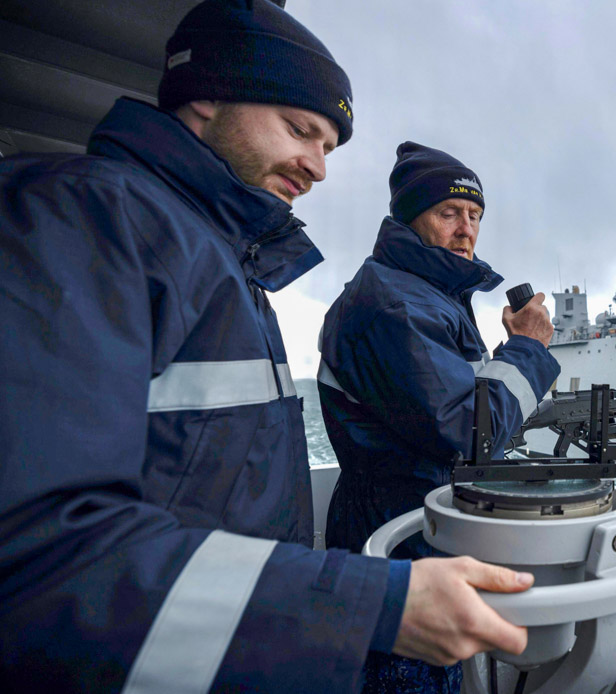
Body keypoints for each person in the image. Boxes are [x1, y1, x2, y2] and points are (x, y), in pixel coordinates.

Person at [0, 1, 530, 691]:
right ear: (207, 95)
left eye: (330, 148)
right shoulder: (81, 221)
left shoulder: (226, 261)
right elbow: (40, 556)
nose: (318, 167)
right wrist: (372, 604)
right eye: (300, 130)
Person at [317, 142, 561, 692]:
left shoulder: (429, 296)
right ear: (409, 218)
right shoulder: (397, 305)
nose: (466, 229)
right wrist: (526, 348)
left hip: (417, 534)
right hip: (403, 553)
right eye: (449, 213)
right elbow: (465, 434)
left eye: (474, 215)